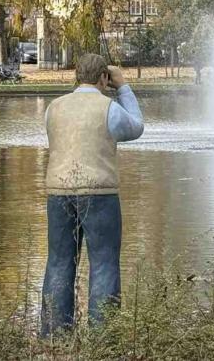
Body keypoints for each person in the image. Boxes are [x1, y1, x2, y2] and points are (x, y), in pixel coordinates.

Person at [39, 53, 144, 336]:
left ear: (76, 76)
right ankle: (104, 337)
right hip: (99, 193)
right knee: (104, 263)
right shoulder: (108, 108)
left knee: (59, 262)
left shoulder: (54, 108)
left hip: (58, 192)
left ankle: (53, 336)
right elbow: (136, 127)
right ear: (103, 79)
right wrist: (122, 86)